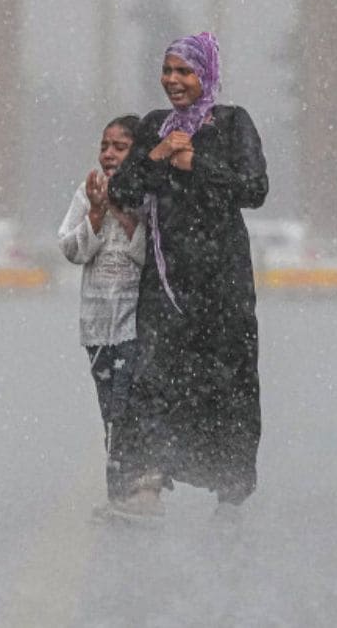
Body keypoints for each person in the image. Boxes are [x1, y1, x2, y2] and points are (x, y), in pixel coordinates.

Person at [105, 31, 268, 523]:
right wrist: (156, 157)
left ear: (207, 75)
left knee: (228, 386)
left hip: (222, 286)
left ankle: (230, 495)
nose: (173, 80)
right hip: (166, 285)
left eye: (185, 71)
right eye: (168, 70)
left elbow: (254, 188)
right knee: (154, 381)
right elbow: (126, 190)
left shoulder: (232, 123)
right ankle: (147, 485)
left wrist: (196, 163)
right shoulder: (155, 127)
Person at [57, 115, 147, 505]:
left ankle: (133, 488)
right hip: (96, 327)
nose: (109, 154)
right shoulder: (86, 192)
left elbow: (150, 254)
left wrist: (121, 210)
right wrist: (95, 212)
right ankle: (119, 493)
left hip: (135, 325)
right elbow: (72, 250)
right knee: (110, 412)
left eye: (120, 147)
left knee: (127, 409)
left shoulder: (148, 195)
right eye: (105, 146)